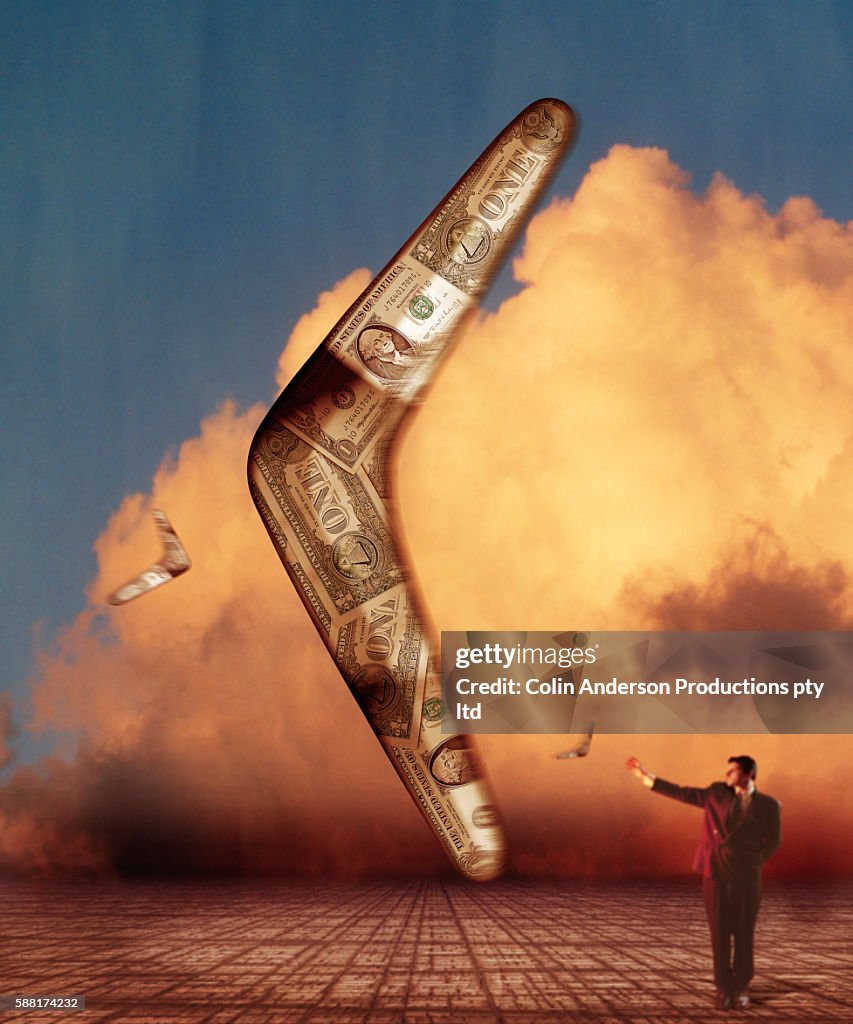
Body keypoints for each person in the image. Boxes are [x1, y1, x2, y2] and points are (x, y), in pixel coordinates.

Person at [625, 754, 781, 1011]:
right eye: (728, 770)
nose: (727, 774)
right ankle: (723, 989)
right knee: (719, 934)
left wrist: (751, 862)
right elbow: (681, 793)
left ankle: (740, 988)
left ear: (749, 773)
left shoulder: (769, 805)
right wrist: (645, 777)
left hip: (746, 878)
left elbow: (773, 841)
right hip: (716, 873)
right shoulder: (716, 793)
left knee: (743, 934)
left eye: (733, 770)